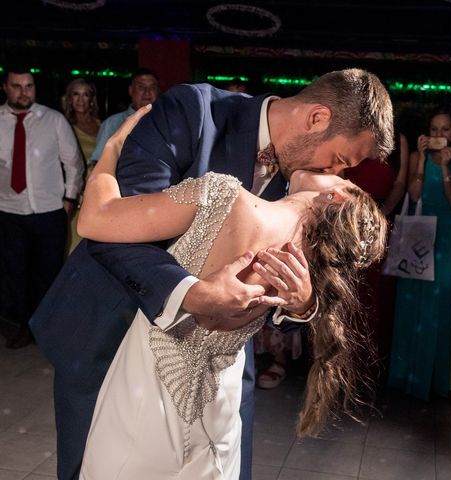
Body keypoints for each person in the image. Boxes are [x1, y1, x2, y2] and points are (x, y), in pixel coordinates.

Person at [29, 68, 394, 480]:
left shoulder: (300, 198)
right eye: (341, 159)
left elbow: (100, 217)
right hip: (108, 336)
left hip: (223, 379)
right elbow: (116, 238)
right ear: (316, 119)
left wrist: (303, 303)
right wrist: (189, 293)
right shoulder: (194, 112)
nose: (337, 172)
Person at [388, 105, 451, 400]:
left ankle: (433, 378)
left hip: (446, 234)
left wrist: (446, 168)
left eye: (444, 129)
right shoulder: (415, 157)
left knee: (439, 305)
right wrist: (421, 161)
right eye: (434, 129)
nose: (439, 135)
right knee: (412, 301)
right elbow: (412, 195)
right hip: (417, 232)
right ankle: (406, 375)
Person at [0, 66, 84, 349]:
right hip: (8, 212)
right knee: (16, 274)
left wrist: (69, 200)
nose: (23, 92)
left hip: (49, 212)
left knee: (49, 273)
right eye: (17, 86)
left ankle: (49, 330)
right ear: (5, 87)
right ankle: (26, 325)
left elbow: (73, 163)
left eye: (29, 86)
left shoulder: (54, 120)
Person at [344, 131, 409, 377]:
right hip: (349, 222)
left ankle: (371, 366)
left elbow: (401, 182)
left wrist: (380, 215)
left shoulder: (397, 141)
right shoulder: (356, 135)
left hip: (381, 223)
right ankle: (343, 363)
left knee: (377, 294)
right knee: (349, 292)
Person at [61, 77, 102, 253]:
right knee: (71, 249)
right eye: (76, 94)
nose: (80, 99)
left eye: (85, 95)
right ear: (69, 98)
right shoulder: (63, 127)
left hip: (97, 196)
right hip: (73, 197)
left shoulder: (103, 126)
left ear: (91, 99)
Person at [89, 67, 159, 164]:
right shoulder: (113, 123)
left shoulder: (165, 123)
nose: (147, 92)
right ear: (131, 91)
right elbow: (99, 162)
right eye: (141, 87)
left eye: (152, 87)